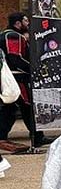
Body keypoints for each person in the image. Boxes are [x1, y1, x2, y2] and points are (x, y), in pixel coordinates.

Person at [0, 12, 45, 151]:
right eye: (25, 21)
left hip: (10, 77)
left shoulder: (5, 35)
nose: (28, 23)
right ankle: (37, 137)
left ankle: (36, 136)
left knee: (10, 108)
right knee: (27, 107)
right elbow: (16, 58)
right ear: (18, 23)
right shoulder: (13, 36)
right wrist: (34, 69)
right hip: (16, 79)